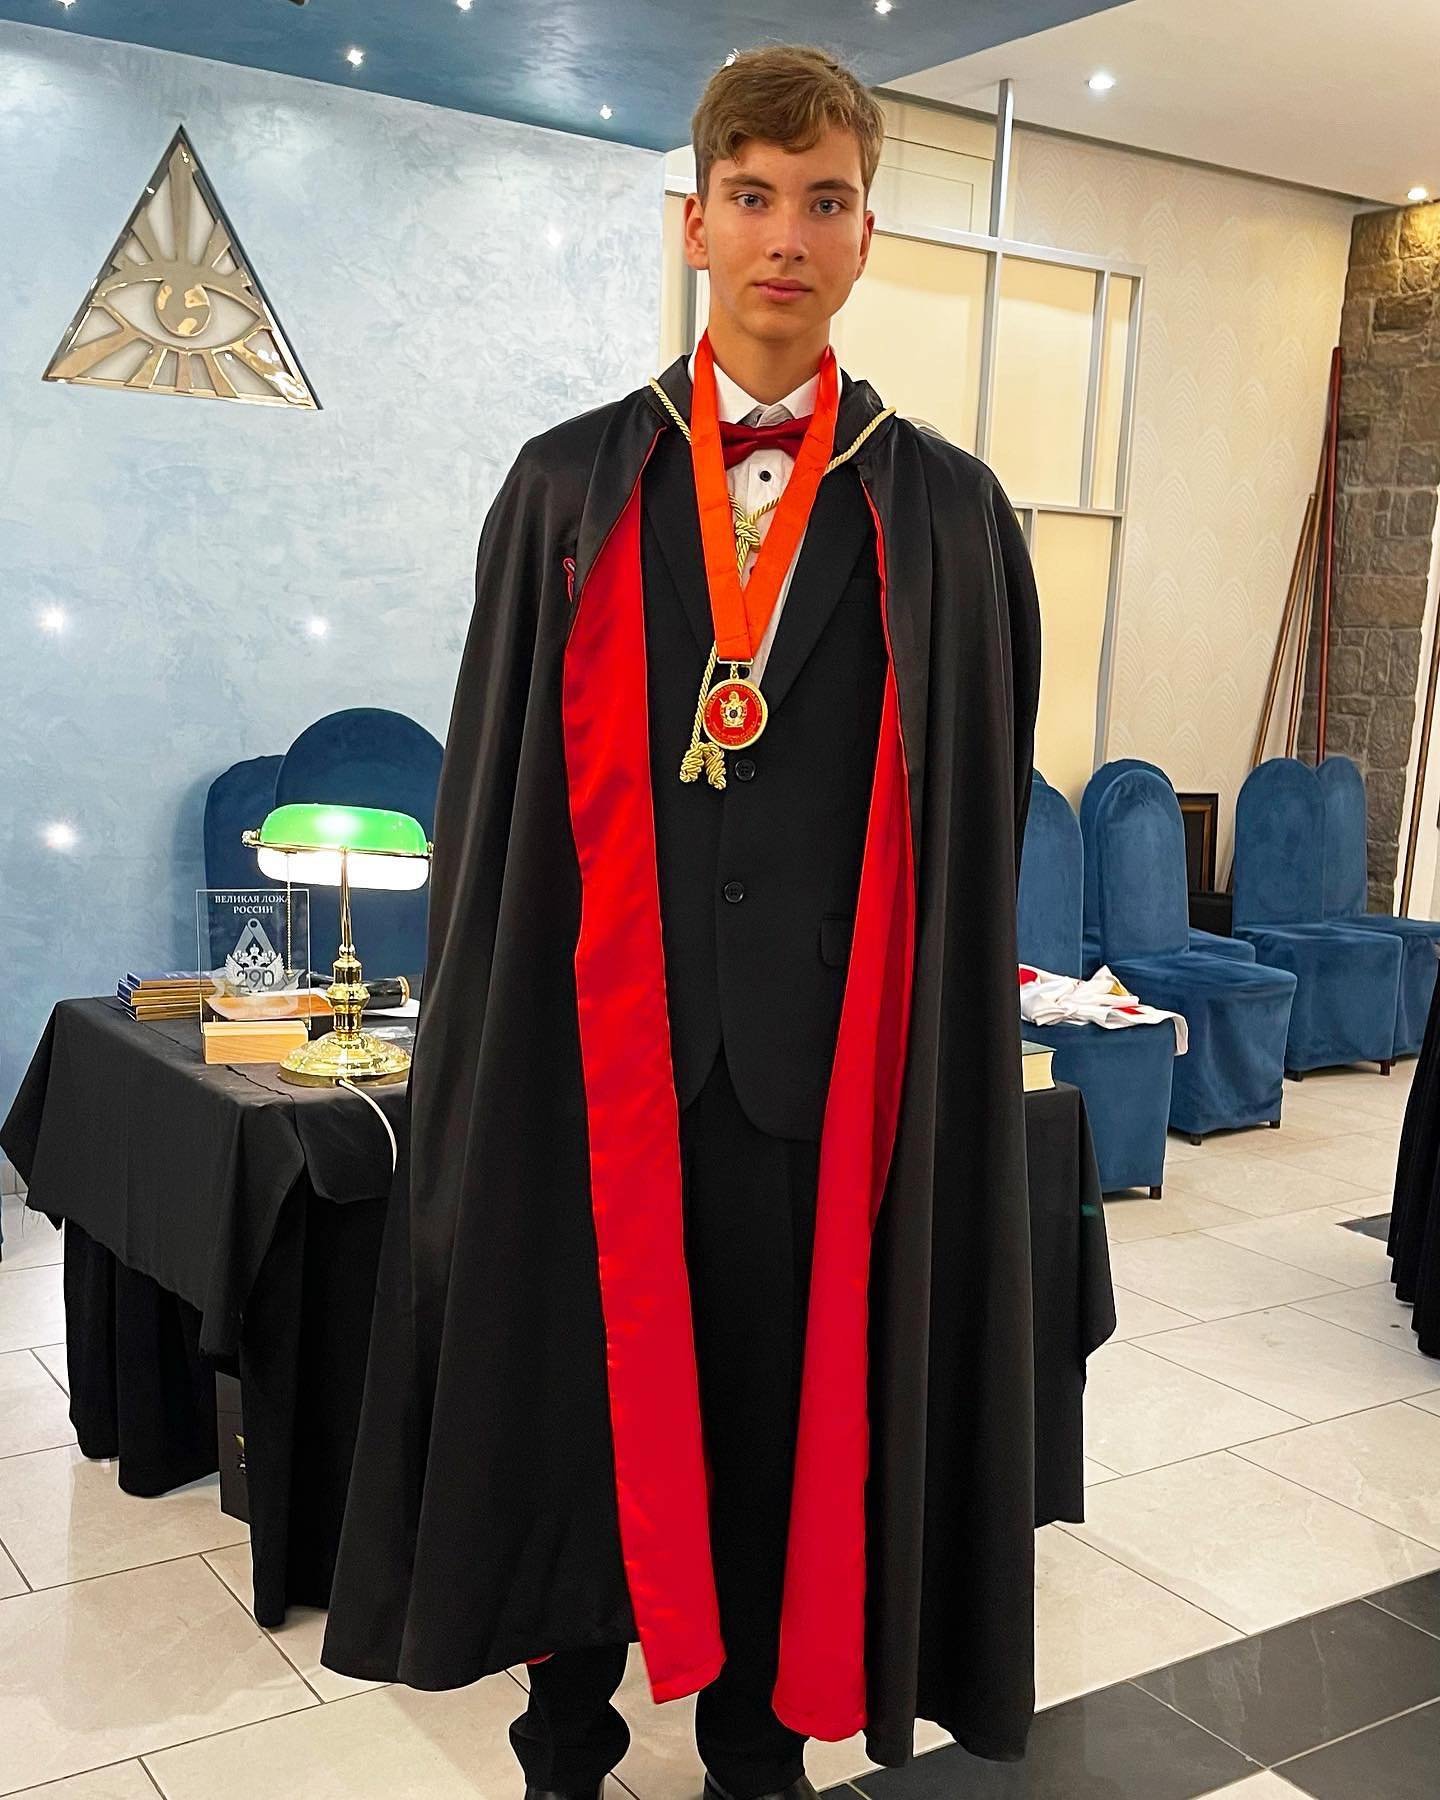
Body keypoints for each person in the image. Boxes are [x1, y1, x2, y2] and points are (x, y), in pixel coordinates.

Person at [321, 43, 1043, 1800]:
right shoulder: (566, 488)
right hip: (596, 1058)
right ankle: (563, 1736)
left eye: (826, 201)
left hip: (821, 1081)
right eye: (753, 197)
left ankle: (754, 1744)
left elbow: (977, 816)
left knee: (780, 1424)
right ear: (698, 223)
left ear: (866, 234)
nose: (788, 235)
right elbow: (495, 803)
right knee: (572, 1397)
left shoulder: (948, 511)